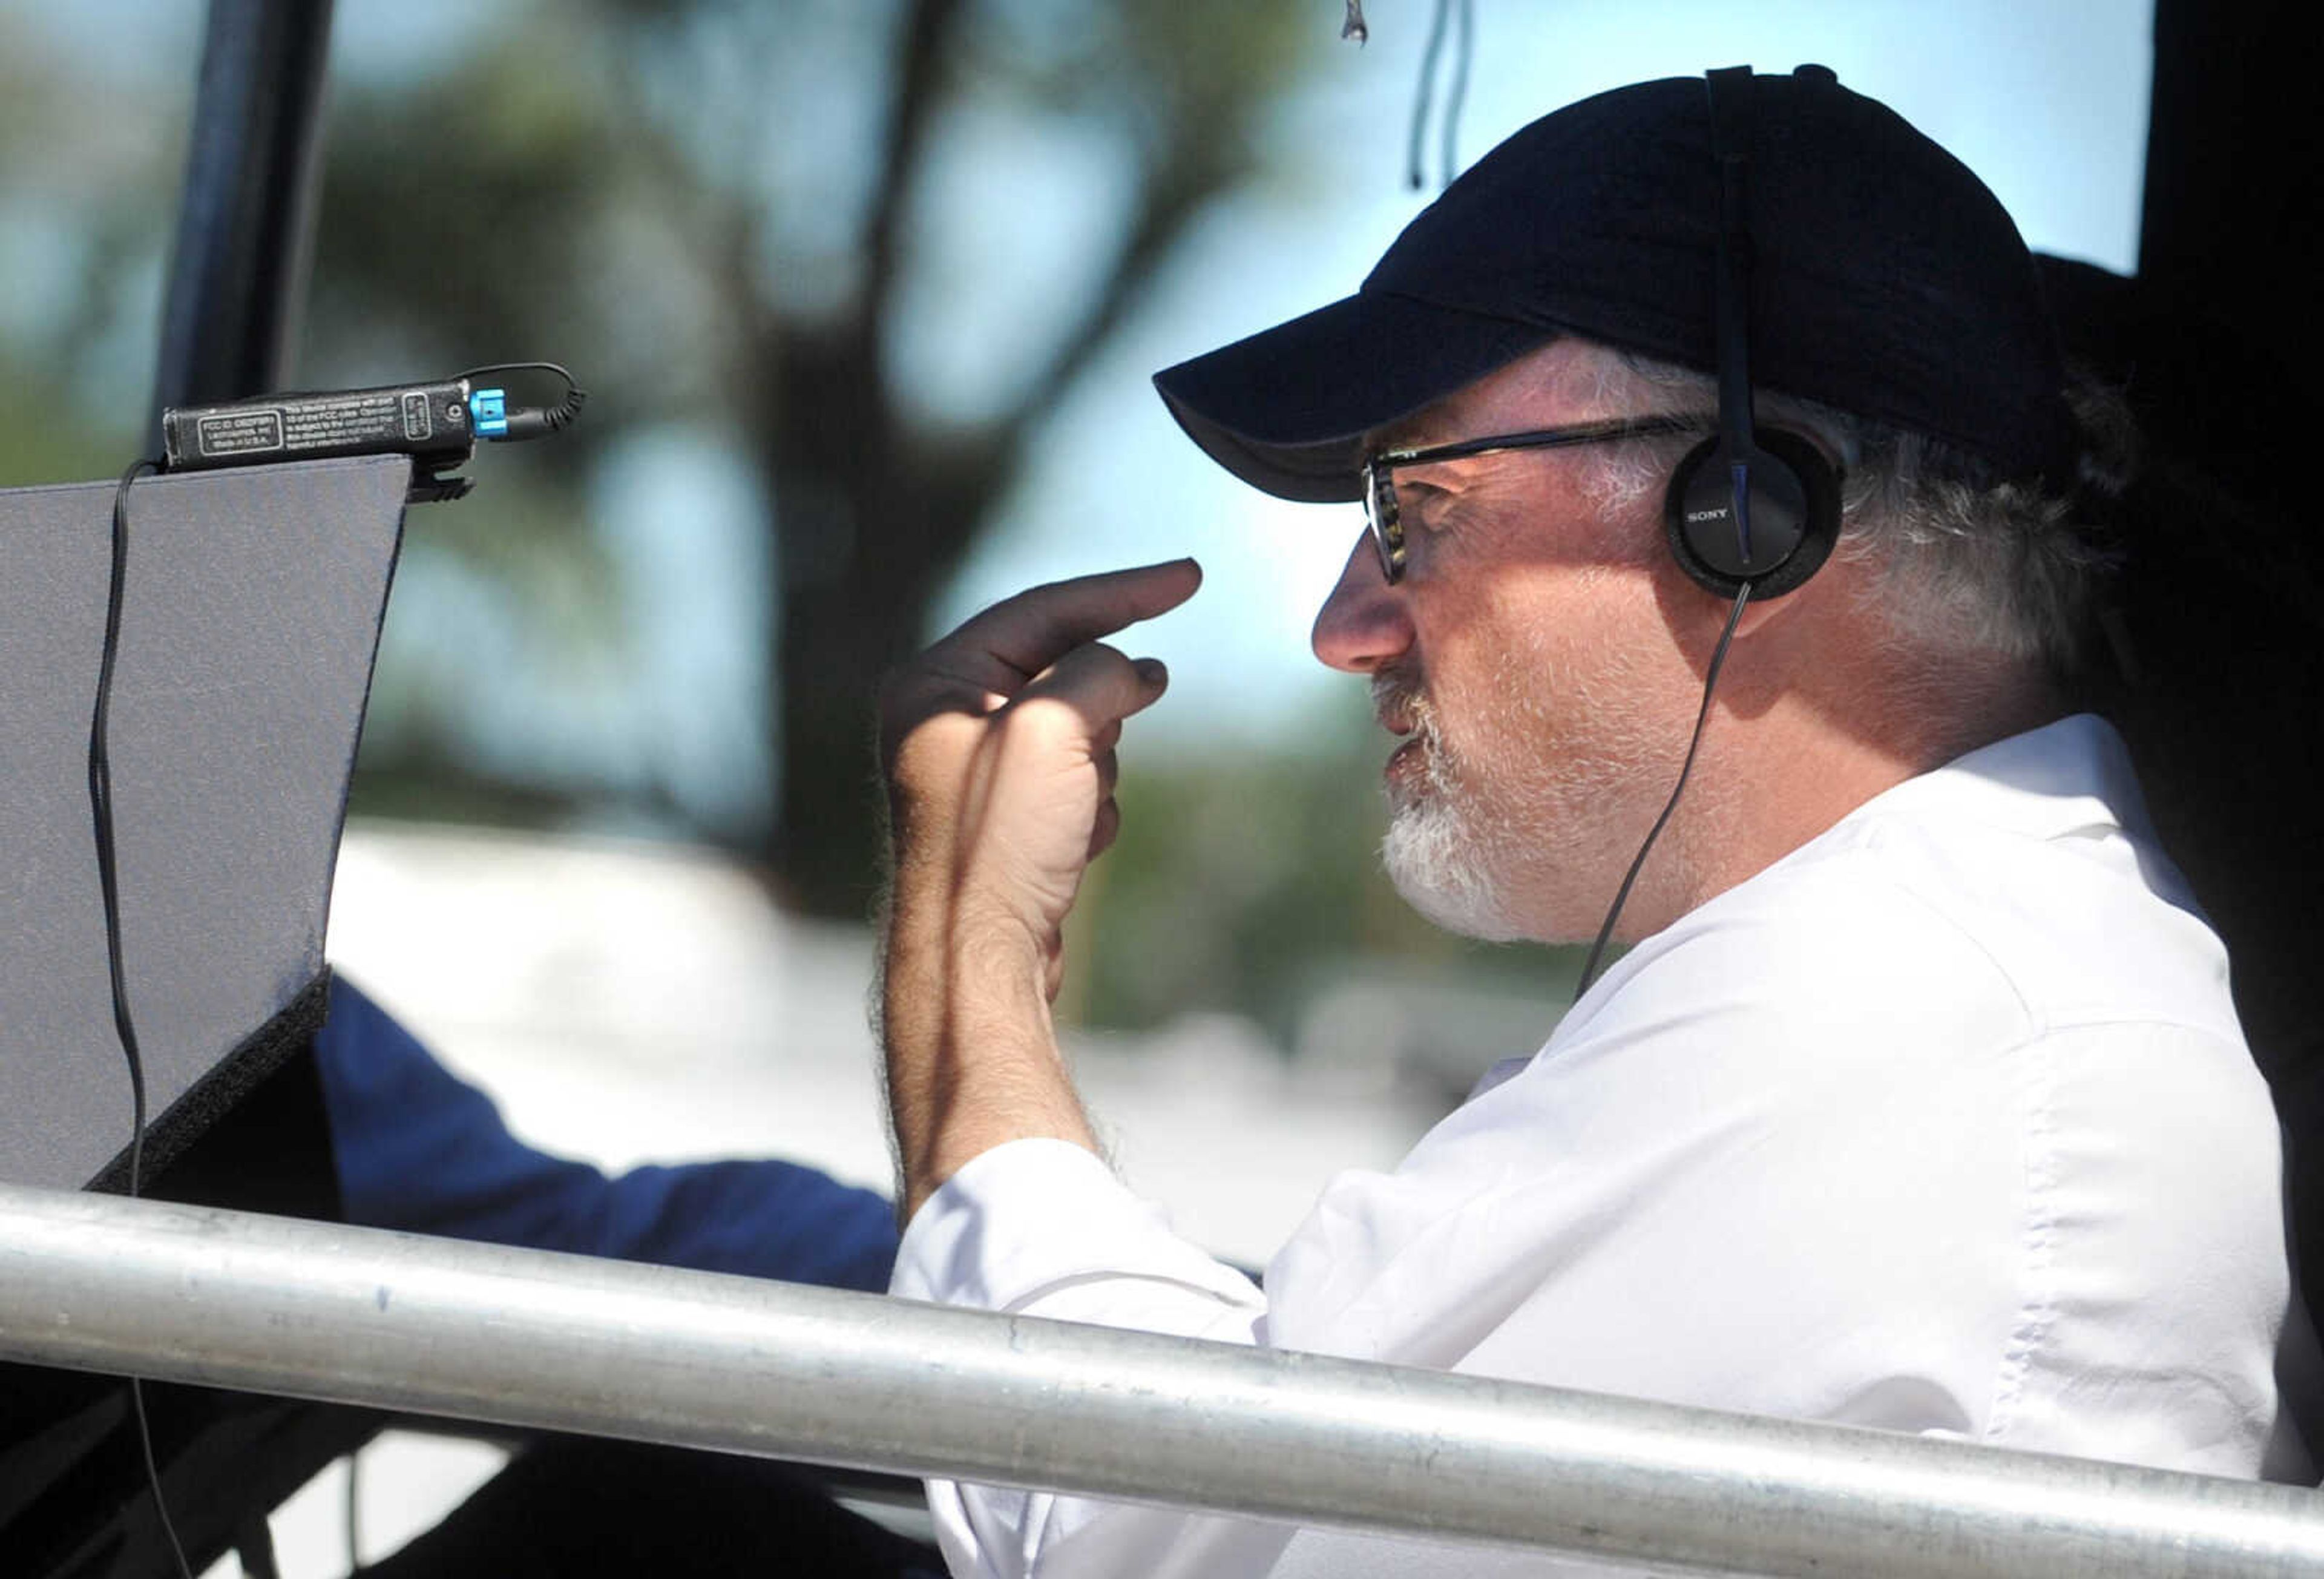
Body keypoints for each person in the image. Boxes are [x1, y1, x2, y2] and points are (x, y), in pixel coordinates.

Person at [873, 67, 2317, 1577]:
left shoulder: (1869, 1024)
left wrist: (971, 942)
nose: (1344, 627)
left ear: (1750, 515)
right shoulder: (1956, 968)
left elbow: (1118, 1537)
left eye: (1409, 513)